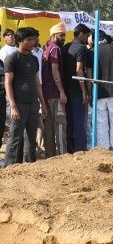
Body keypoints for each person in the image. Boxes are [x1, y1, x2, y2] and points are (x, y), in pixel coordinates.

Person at [3, 27, 47, 165]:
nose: (33, 42)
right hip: (19, 104)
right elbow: (8, 84)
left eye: (33, 39)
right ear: (20, 41)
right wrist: (13, 106)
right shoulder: (12, 59)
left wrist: (42, 103)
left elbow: (37, 83)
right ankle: (9, 168)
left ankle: (30, 166)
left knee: (31, 137)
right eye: (29, 39)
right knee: (15, 138)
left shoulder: (34, 59)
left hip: (33, 103)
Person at [61, 23, 91, 153]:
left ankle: (70, 149)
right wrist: (84, 91)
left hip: (66, 90)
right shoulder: (81, 48)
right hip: (77, 92)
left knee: (69, 122)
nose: (87, 39)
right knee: (79, 123)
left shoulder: (65, 47)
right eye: (87, 36)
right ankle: (80, 150)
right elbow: (79, 70)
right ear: (81, 34)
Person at [42, 22, 68, 157]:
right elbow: (54, 71)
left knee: (49, 126)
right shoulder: (55, 49)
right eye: (61, 35)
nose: (63, 37)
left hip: (46, 93)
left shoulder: (46, 49)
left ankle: (50, 155)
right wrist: (62, 91)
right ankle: (62, 155)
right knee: (60, 124)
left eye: (64, 35)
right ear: (53, 35)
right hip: (55, 93)